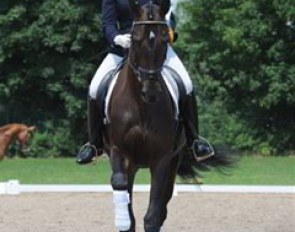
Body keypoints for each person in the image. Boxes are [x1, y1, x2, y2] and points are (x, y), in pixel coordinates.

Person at [76, 0, 214, 164]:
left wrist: (168, 27)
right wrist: (117, 38)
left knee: (187, 83)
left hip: (155, 50)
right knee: (94, 88)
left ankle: (194, 141)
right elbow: (108, 24)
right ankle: (94, 144)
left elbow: (167, 13)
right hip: (122, 50)